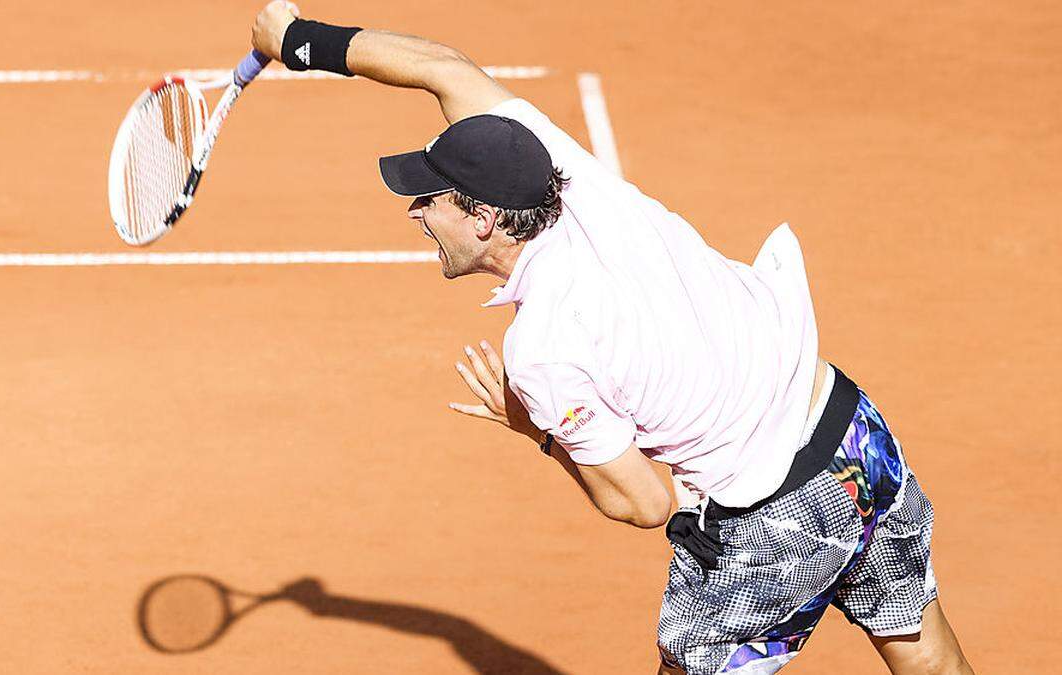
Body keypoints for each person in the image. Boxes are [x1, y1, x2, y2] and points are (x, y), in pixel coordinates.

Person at [250, 3, 975, 673]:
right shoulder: (570, 176)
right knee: (928, 657)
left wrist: (535, 429)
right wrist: (297, 39)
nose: (414, 212)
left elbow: (643, 503)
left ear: (482, 219)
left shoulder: (543, 349)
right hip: (848, 426)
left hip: (771, 515)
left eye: (428, 198)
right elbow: (444, 68)